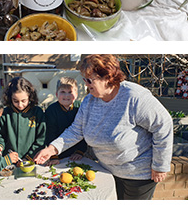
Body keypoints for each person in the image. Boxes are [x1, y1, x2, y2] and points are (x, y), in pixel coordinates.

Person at [35, 55, 173, 201]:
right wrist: (52, 149)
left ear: (107, 77)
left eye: (89, 80)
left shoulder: (134, 97)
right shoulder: (89, 101)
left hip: (138, 176)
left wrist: (160, 166)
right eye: (85, 80)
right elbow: (76, 130)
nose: (86, 85)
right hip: (106, 171)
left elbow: (163, 126)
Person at [0, 77, 46, 162]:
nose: (20, 105)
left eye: (24, 101)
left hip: (31, 160)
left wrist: (28, 157)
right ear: (10, 98)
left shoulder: (37, 112)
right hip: (8, 160)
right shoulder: (5, 113)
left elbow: (41, 139)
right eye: (15, 101)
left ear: (30, 97)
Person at [45, 77, 87, 164]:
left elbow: (83, 130)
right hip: (57, 152)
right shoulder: (51, 110)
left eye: (70, 92)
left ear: (76, 94)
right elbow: (50, 133)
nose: (66, 96)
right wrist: (54, 156)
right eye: (62, 92)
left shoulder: (80, 107)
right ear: (56, 94)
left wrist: (80, 151)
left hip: (77, 152)